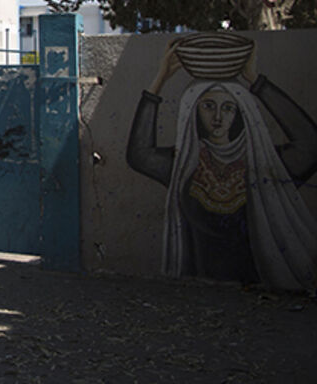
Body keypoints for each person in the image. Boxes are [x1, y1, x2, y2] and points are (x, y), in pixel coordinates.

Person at [127, 35, 317, 290]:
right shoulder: (186, 165)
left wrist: (256, 81)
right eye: (208, 106)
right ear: (194, 112)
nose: (218, 117)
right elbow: (140, 155)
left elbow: (309, 147)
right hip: (198, 291)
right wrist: (160, 79)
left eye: (228, 108)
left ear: (240, 114)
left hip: (258, 289)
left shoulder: (261, 161)